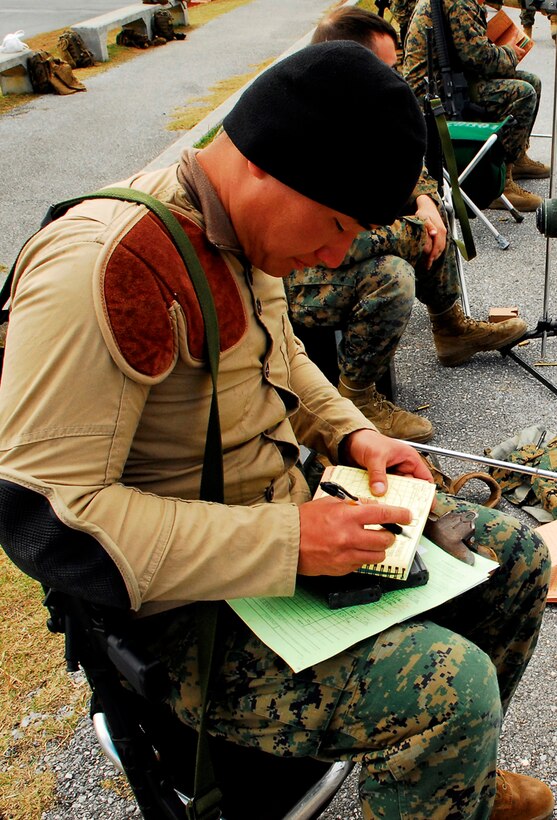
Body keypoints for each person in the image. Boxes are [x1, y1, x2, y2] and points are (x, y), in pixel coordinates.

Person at [0, 42, 552, 819]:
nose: (330, 256)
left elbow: (280, 357)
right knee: (449, 689)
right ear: (265, 162)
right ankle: (443, 754)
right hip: (185, 615)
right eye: (331, 226)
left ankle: (450, 779)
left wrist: (355, 438)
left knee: (518, 562)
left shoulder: (238, 228)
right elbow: (49, 523)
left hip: (279, 538)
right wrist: (293, 542)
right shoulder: (107, 266)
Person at [285, 7, 527, 443]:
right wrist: (413, 233)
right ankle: (356, 396)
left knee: (429, 217)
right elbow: (332, 242)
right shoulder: (301, 127)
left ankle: (450, 328)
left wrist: (424, 201)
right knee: (393, 275)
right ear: (346, 64)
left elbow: (404, 163)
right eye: (387, 69)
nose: (398, 81)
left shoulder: (357, 104)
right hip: (303, 276)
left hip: (341, 249)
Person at [403, 0, 550, 211]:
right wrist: (510, 52)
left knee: (532, 82)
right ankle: (499, 187)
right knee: (522, 93)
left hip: (452, 79)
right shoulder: (459, 2)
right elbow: (478, 58)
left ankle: (516, 160)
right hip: (435, 93)